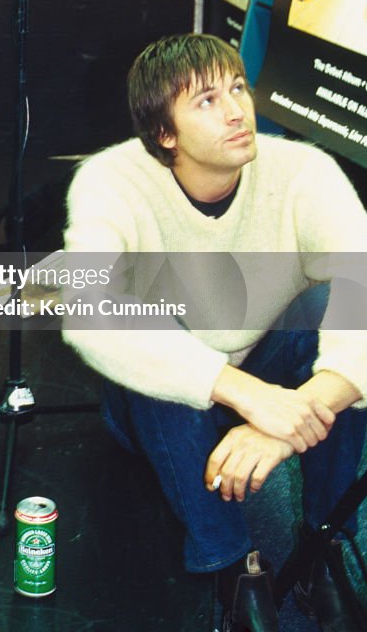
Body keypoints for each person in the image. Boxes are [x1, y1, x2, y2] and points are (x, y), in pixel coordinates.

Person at [62, 33, 367, 631]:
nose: (236, 111)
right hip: (158, 413)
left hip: (271, 379)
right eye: (205, 100)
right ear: (164, 135)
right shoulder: (110, 180)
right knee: (144, 318)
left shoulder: (304, 170)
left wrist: (298, 412)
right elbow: (86, 306)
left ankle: (323, 542)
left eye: (238, 89)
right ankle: (237, 569)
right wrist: (243, 393)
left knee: (339, 308)